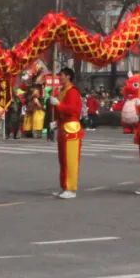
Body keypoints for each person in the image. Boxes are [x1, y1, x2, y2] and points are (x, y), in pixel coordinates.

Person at [53, 67, 84, 199]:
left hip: (71, 128)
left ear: (68, 76)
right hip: (63, 127)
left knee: (70, 160)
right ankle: (64, 186)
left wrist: (58, 104)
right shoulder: (62, 91)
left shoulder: (72, 92)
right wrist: (56, 121)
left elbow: (73, 110)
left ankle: (71, 188)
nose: (59, 77)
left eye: (62, 75)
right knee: (63, 160)